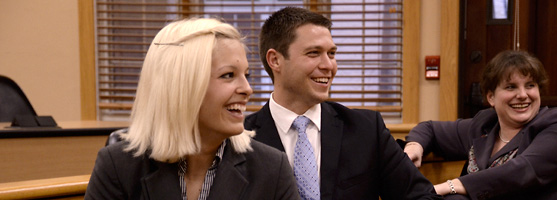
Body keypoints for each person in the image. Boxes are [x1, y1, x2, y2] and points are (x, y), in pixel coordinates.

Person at [85, 18, 299, 200]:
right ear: (182, 86)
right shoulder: (117, 166)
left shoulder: (272, 169)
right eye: (228, 75)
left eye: (247, 75)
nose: (247, 89)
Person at [244, 7, 441, 200]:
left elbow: (423, 196)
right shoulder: (239, 139)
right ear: (275, 60)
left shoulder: (366, 129)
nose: (329, 65)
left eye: (331, 53)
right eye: (314, 53)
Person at [404, 50, 557, 199]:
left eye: (530, 85)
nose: (523, 95)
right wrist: (414, 147)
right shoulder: (484, 124)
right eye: (511, 87)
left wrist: (448, 187)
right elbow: (430, 129)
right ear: (491, 97)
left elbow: (523, 170)